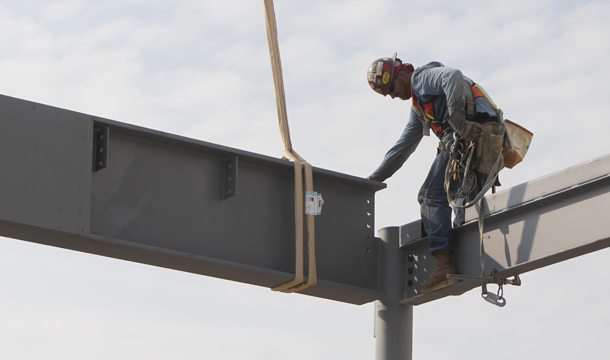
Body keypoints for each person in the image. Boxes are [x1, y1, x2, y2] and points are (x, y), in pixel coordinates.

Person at [366, 53, 501, 294]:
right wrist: (374, 179)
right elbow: (402, 147)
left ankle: (443, 263)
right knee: (460, 199)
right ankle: (461, 251)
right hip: (480, 137)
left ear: (403, 73)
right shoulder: (418, 109)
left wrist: (456, 116)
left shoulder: (420, 79)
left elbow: (452, 76)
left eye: (392, 88)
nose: (393, 95)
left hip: (471, 134)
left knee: (430, 195)